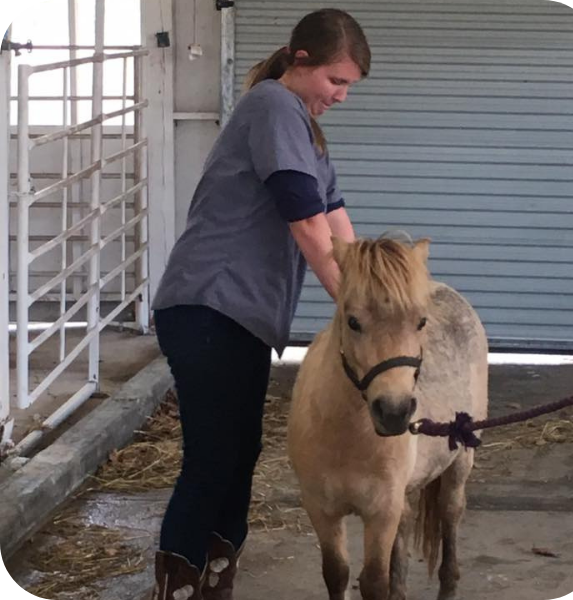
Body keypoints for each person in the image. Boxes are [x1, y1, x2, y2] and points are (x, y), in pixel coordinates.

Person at [146, 9, 371, 599]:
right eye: (336, 81)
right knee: (214, 455)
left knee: (240, 450)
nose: (342, 97)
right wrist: (358, 309)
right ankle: (177, 586)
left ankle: (215, 576)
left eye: (348, 85)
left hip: (238, 317)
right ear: (301, 62)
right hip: (206, 306)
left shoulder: (304, 125)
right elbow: (304, 218)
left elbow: (336, 220)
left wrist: (376, 289)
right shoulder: (272, 106)